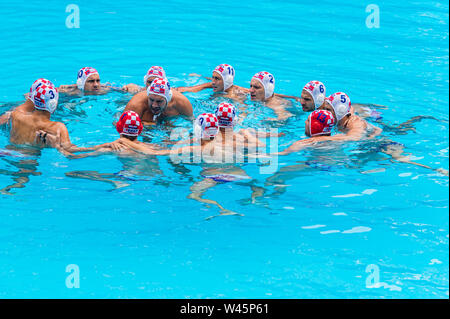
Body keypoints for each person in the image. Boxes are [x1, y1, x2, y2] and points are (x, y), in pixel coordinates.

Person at [9, 79, 98, 154]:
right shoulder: (57, 127)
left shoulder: (16, 115)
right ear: (53, 104)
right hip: (28, 162)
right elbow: (70, 152)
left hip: (7, 152)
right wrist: (103, 147)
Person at [124, 77, 193, 124]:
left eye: (159, 101)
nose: (154, 105)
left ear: (168, 99)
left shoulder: (181, 102)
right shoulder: (136, 104)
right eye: (151, 100)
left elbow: (191, 123)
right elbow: (123, 127)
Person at [175, 64, 248, 102]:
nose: (213, 82)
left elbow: (243, 112)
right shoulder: (218, 85)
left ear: (226, 81)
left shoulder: (234, 95)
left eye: (217, 78)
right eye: (213, 77)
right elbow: (190, 89)